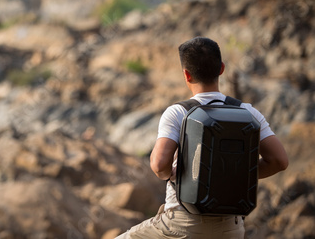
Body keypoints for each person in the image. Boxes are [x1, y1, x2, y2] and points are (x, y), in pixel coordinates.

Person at [116, 37, 289, 239]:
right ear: (221, 69)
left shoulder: (178, 112)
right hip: (231, 228)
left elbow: (159, 165)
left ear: (186, 75)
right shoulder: (248, 112)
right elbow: (279, 161)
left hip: (182, 224)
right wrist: (234, 175)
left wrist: (180, 174)